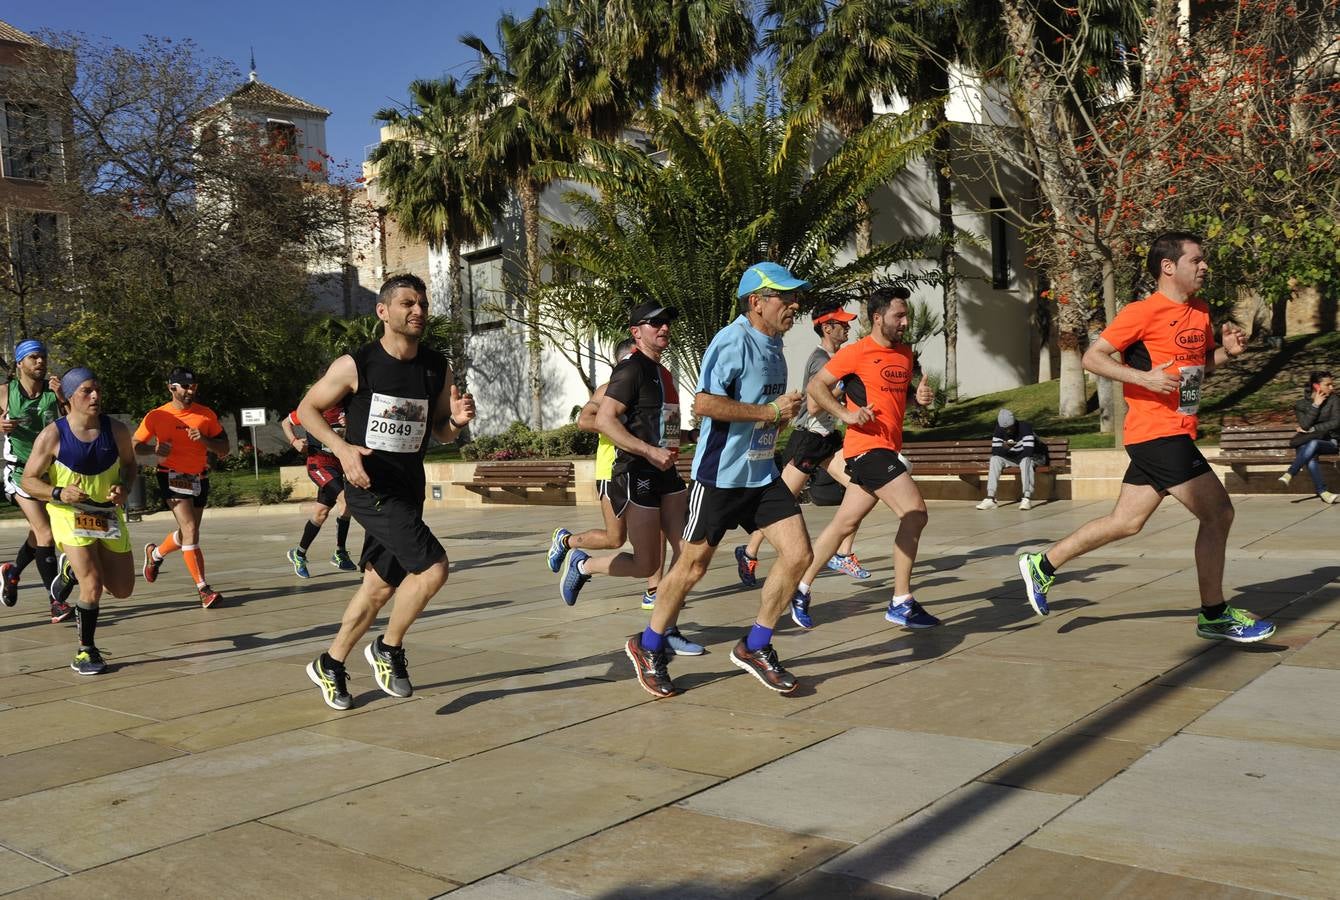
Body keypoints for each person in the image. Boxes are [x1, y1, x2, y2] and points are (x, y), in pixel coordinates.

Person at [1018, 231, 1275, 642]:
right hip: (1156, 432)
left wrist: (1226, 353)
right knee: (1218, 513)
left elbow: (1197, 368)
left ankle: (1042, 564)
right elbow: (1092, 358)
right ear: (1168, 267)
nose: (1205, 266)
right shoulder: (1142, 312)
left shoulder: (1200, 310)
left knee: (1126, 522)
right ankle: (1214, 615)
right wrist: (1144, 379)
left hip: (1177, 429)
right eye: (1196, 260)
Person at [623, 261, 812, 698]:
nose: (794, 305)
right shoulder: (732, 340)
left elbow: (764, 411)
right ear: (757, 302)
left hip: (761, 474)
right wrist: (769, 411)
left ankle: (755, 646)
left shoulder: (774, 344)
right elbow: (705, 404)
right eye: (785, 297)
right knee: (693, 567)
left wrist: (782, 415)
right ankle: (648, 644)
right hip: (721, 476)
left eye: (794, 297)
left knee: (799, 555)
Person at [299, 273, 475, 710]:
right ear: (383, 311)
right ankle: (387, 648)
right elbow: (307, 409)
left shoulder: (435, 367)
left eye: (422, 304)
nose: (418, 311)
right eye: (407, 303)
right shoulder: (356, 364)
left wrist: (456, 421)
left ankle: (330, 663)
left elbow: (440, 431)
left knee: (378, 588)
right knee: (433, 568)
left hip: (408, 489)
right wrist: (342, 450)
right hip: (369, 486)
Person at [556, 303, 703, 656]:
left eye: (666, 323)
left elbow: (663, 429)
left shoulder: (663, 373)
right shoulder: (630, 369)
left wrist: (691, 437)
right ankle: (583, 564)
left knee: (688, 553)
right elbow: (603, 419)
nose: (664, 328)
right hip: (636, 474)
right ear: (636, 332)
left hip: (667, 474)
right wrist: (648, 451)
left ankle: (667, 628)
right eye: (655, 323)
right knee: (647, 564)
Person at [790, 286, 939, 631]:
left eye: (906, 316)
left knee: (844, 524)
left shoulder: (904, 353)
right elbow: (815, 388)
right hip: (867, 449)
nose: (905, 322)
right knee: (915, 513)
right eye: (898, 316)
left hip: (888, 447)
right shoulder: (856, 353)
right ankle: (901, 601)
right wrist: (845, 414)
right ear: (877, 317)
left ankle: (800, 588)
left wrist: (918, 399)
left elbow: (898, 399)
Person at [734, 300, 871, 586]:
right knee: (781, 503)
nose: (847, 328)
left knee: (861, 487)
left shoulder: (838, 358)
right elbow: (814, 405)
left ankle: (843, 554)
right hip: (808, 438)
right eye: (842, 324)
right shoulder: (821, 359)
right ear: (827, 328)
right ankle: (748, 552)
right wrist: (843, 387)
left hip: (828, 438)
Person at [21, 368, 138, 674]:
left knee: (122, 589)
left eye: (98, 389)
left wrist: (124, 487)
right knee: (93, 583)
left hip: (106, 514)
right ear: (71, 397)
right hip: (69, 513)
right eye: (87, 391)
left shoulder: (117, 430)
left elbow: (130, 465)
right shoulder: (53, 435)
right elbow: (28, 480)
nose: (95, 396)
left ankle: (70, 569)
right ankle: (86, 651)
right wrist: (58, 492)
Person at [548, 339, 662, 610]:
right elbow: (585, 420)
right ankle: (568, 543)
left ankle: (654, 589)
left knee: (656, 529)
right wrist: (618, 421)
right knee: (615, 538)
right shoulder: (608, 389)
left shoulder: (653, 387)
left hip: (647, 468)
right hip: (613, 471)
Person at [134, 367, 230, 608]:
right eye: (185, 387)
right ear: (171, 387)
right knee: (190, 528)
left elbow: (224, 447)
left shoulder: (206, 414)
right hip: (170, 475)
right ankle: (203, 589)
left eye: (193, 387)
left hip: (199, 477)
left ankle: (155, 554)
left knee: (188, 532)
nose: (190, 391)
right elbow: (134, 445)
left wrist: (205, 440)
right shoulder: (157, 416)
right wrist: (154, 449)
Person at [1, 339, 71, 621]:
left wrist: (63, 397)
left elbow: (76, 421)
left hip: (49, 472)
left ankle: (12, 572)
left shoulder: (54, 393)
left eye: (42, 356)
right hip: (19, 472)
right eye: (33, 357)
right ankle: (56, 602)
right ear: (20, 363)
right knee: (46, 534)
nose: (40, 361)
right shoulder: (5, 392)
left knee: (38, 532)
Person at [282, 397, 358, 576]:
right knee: (346, 499)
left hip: (338, 465)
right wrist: (294, 441)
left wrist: (350, 425)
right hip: (319, 464)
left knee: (320, 514)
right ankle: (340, 552)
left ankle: (298, 553)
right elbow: (286, 422)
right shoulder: (315, 406)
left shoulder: (349, 407)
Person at [1279, 370, 1338, 504]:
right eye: (1328, 385)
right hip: (1307, 442)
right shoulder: (1300, 404)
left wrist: (1314, 429)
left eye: (1332, 384)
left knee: (1313, 444)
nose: (1331, 387)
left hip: (1330, 442)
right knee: (1311, 456)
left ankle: (1290, 473)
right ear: (1316, 386)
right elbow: (1304, 425)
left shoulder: (1334, 400)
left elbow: (1336, 422)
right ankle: (1324, 493)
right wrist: (1315, 405)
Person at [976, 408, 1039, 510]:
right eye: (1005, 428)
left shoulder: (1025, 427)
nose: (1008, 430)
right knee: (995, 459)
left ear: (1014, 423)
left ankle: (1026, 498)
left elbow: (1029, 451)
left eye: (1010, 427)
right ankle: (990, 498)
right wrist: (1006, 448)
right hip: (1012, 458)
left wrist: (1009, 450)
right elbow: (995, 451)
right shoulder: (999, 429)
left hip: (1029, 458)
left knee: (1025, 461)